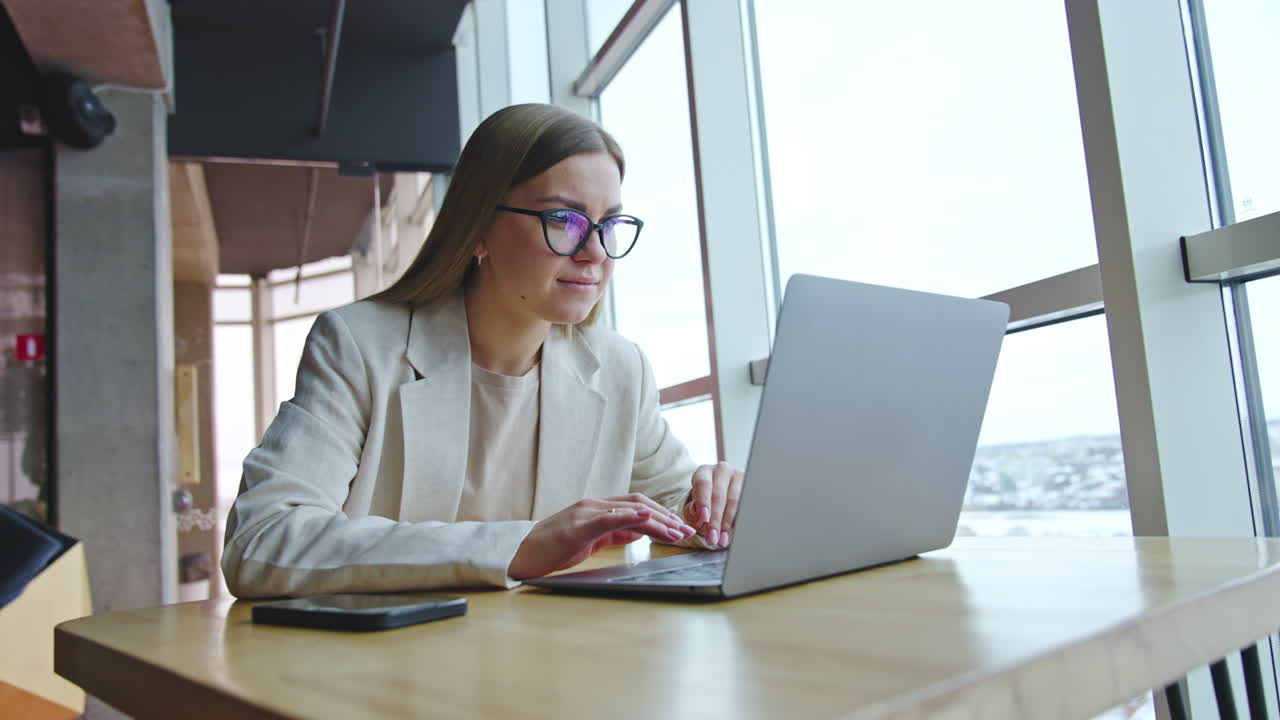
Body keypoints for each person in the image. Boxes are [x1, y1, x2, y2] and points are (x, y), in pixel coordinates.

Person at [222, 104, 744, 598]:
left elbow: (682, 515)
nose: (595, 253)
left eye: (609, 224)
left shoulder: (619, 369)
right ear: (478, 230)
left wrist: (714, 507)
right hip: (386, 673)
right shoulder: (360, 346)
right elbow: (261, 541)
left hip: (557, 668)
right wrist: (515, 546)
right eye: (564, 219)